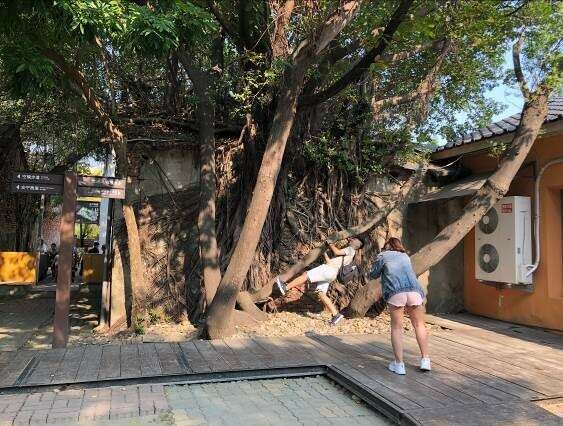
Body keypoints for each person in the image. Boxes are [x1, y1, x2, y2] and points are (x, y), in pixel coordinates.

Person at [369, 237, 430, 375]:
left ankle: (399, 364)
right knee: (419, 325)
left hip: (396, 292)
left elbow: (373, 275)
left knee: (397, 328)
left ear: (387, 246)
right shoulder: (405, 256)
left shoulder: (383, 255)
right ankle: (426, 360)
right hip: (414, 291)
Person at [275, 238, 363, 326]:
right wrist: (323, 252)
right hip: (332, 273)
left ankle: (285, 288)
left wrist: (330, 243)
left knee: (306, 275)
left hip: (328, 270)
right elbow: (331, 261)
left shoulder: (351, 250)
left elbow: (337, 252)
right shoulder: (350, 255)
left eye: (354, 239)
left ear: (357, 244)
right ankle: (336, 315)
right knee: (321, 293)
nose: (351, 239)